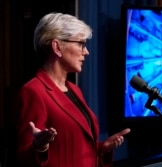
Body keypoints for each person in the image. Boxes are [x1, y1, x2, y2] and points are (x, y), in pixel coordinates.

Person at [12, 12, 131, 167]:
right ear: (57, 47)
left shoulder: (74, 90)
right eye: (81, 44)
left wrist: (102, 149)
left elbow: (76, 148)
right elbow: (23, 158)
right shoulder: (33, 91)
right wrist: (39, 147)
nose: (86, 52)